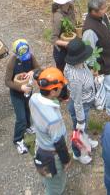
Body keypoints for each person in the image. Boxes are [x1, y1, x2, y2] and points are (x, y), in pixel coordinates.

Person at [29, 67, 71, 195]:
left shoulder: (34, 99)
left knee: (48, 179)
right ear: (53, 92)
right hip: (52, 156)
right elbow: (59, 143)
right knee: (55, 187)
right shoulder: (53, 119)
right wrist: (66, 160)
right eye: (61, 87)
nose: (63, 88)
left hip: (40, 146)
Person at [82, 0, 110, 115]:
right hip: (103, 64)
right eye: (103, 8)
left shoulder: (102, 16)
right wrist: (94, 68)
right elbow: (89, 53)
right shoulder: (89, 31)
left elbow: (108, 25)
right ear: (94, 11)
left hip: (109, 59)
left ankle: (108, 104)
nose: (106, 10)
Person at [64, 38, 98, 165]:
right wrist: (80, 120)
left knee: (84, 129)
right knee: (78, 131)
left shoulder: (78, 64)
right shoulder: (75, 78)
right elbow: (77, 101)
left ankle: (86, 140)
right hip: (80, 106)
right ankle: (78, 153)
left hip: (86, 103)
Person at [5, 39, 40, 154]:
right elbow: (7, 82)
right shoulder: (12, 62)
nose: (26, 57)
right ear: (16, 54)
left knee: (28, 109)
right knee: (21, 118)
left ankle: (28, 127)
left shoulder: (30, 56)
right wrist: (21, 88)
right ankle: (18, 139)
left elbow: (38, 68)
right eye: (22, 55)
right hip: (17, 93)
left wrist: (32, 72)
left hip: (28, 90)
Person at [50, 0, 80, 69]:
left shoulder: (70, 8)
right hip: (61, 53)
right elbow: (53, 39)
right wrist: (68, 44)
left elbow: (73, 24)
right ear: (66, 0)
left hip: (71, 48)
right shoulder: (58, 17)